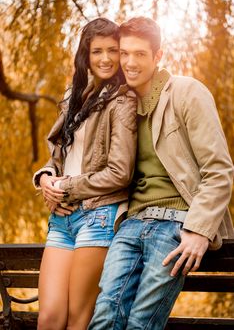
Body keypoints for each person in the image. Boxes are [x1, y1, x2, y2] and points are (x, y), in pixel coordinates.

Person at [89, 17, 234, 330]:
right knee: (103, 320)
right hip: (129, 226)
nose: (129, 62)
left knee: (141, 324)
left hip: (176, 223)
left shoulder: (186, 92)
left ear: (157, 56)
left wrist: (199, 229)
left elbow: (219, 170)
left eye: (140, 54)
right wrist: (51, 179)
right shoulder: (117, 104)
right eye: (124, 53)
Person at [32, 18, 137, 330]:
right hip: (62, 220)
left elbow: (120, 173)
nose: (105, 58)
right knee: (49, 318)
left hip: (98, 217)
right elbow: (58, 154)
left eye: (112, 50)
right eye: (97, 51)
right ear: (85, 55)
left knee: (79, 320)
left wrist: (66, 188)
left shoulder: (123, 100)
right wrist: (45, 179)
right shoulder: (73, 96)